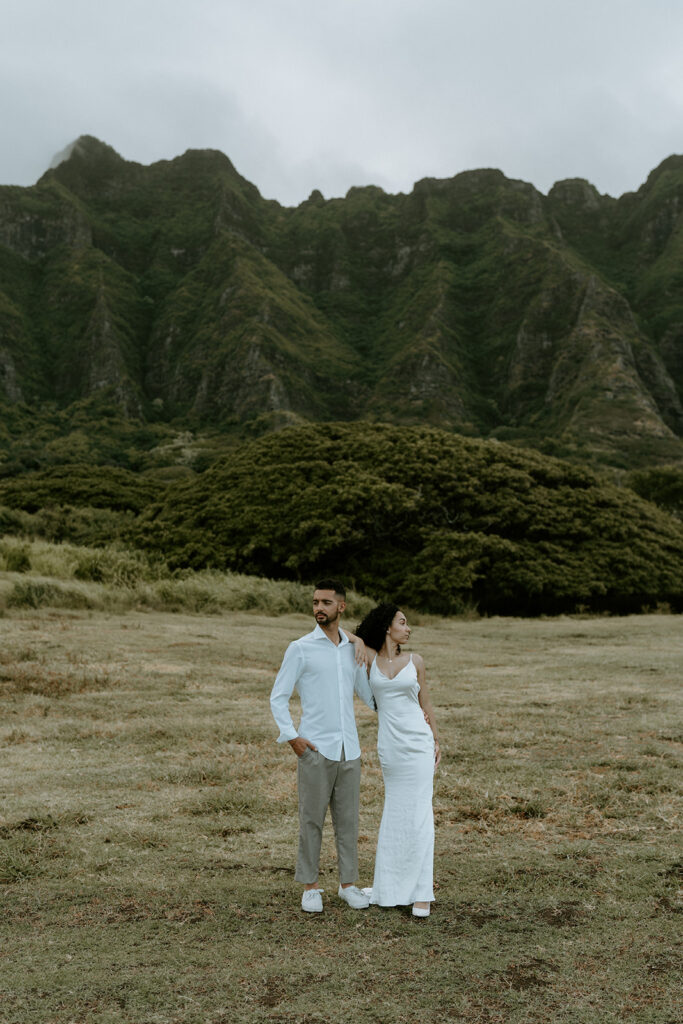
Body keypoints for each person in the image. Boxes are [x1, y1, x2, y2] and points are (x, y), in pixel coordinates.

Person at [270, 579, 376, 913]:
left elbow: (368, 695)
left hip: (350, 750)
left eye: (326, 603)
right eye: (316, 602)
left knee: (348, 822)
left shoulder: (351, 649)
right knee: (311, 820)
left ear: (341, 607)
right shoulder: (300, 648)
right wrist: (292, 737)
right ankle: (311, 887)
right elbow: (278, 697)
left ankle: (348, 885)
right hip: (314, 749)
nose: (319, 608)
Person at [354, 603, 440, 918]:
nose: (408, 628)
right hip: (390, 748)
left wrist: (436, 738)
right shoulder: (369, 662)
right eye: (403, 622)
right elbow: (343, 636)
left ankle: (422, 894)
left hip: (418, 743)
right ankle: (389, 886)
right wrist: (360, 642)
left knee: (420, 815)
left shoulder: (415, 661)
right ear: (387, 627)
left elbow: (426, 702)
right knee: (395, 814)